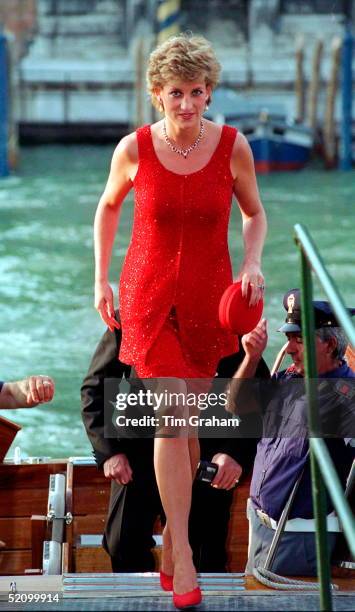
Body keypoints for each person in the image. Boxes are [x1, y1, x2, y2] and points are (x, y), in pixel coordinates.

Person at [93, 33, 267, 607]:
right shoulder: (134, 149)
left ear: (210, 93)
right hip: (146, 297)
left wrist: (253, 264)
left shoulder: (233, 148)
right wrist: (102, 277)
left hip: (207, 299)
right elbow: (109, 206)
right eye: (175, 93)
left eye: (197, 92)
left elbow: (254, 213)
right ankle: (185, 551)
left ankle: (171, 534)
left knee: (188, 416)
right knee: (173, 410)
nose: (186, 104)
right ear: (156, 94)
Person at [81, 312, 269, 574]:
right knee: (122, 545)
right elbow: (94, 387)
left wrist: (235, 453)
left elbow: (258, 398)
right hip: (138, 457)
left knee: (203, 556)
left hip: (207, 459)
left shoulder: (227, 314)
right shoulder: (132, 312)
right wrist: (109, 451)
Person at [228, 288, 355, 576]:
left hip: (300, 538)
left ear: (329, 344)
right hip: (260, 527)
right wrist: (251, 358)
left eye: (299, 340)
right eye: (288, 339)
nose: (289, 349)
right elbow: (235, 404)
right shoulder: (288, 378)